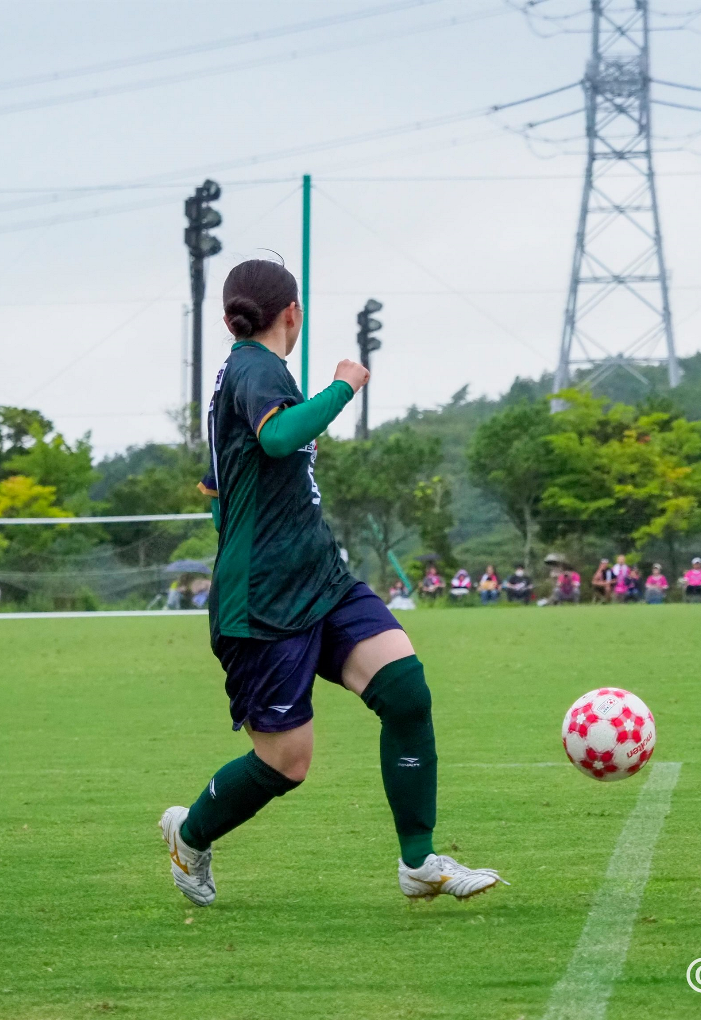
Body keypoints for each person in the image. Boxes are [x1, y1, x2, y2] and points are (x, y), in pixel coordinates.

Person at [160, 260, 501, 909]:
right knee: (286, 763)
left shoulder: (247, 374)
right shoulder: (256, 368)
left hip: (319, 577)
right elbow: (282, 436)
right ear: (293, 312)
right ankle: (192, 833)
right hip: (263, 600)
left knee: (404, 690)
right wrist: (345, 385)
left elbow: (215, 489)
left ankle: (419, 860)